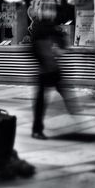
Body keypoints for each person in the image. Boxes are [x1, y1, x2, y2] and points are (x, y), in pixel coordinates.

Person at [31, 8, 76, 140]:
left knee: (40, 101)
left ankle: (37, 129)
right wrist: (58, 50)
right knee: (62, 90)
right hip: (51, 68)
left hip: (43, 70)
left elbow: (32, 51)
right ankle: (73, 109)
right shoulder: (51, 29)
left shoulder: (37, 30)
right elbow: (63, 42)